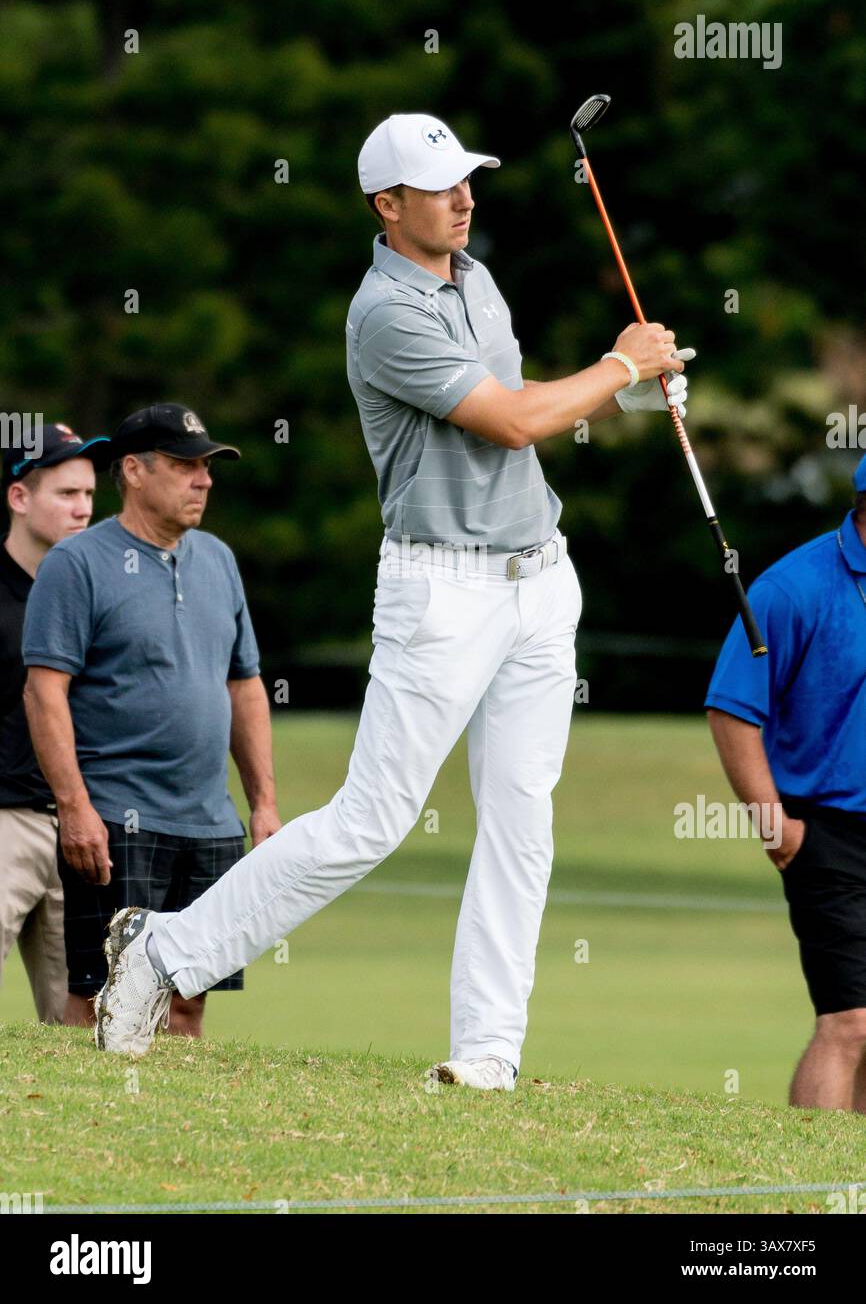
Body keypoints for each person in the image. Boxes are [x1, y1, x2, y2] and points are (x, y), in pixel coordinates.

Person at [91, 113, 693, 1080]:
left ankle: (487, 1056)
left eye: (469, 180)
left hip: (540, 576)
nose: (464, 198)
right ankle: (163, 951)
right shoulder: (384, 314)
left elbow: (520, 393)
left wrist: (621, 390)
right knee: (373, 818)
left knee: (520, 818)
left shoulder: (475, 278)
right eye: (442, 186)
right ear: (387, 204)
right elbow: (504, 423)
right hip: (441, 588)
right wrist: (621, 362)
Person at [22, 404, 281, 1037]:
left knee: (188, 998)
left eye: (207, 467)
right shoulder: (77, 563)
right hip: (117, 818)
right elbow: (43, 693)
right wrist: (76, 809)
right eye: (186, 465)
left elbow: (245, 686)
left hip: (210, 822)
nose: (204, 480)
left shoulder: (218, 559)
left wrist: (264, 805)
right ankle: (90, 1128)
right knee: (100, 995)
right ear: (134, 471)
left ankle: (169, 1127)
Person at [706, 454, 866, 1113]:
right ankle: (806, 1184)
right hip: (827, 833)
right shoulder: (792, 588)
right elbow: (732, 708)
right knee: (850, 1023)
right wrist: (778, 830)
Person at [0, 422, 109, 1023]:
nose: (83, 509)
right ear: (20, 498)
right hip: (6, 822)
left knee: (81, 1026)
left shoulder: (97, 587)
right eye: (66, 494)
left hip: (85, 829)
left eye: (89, 495)